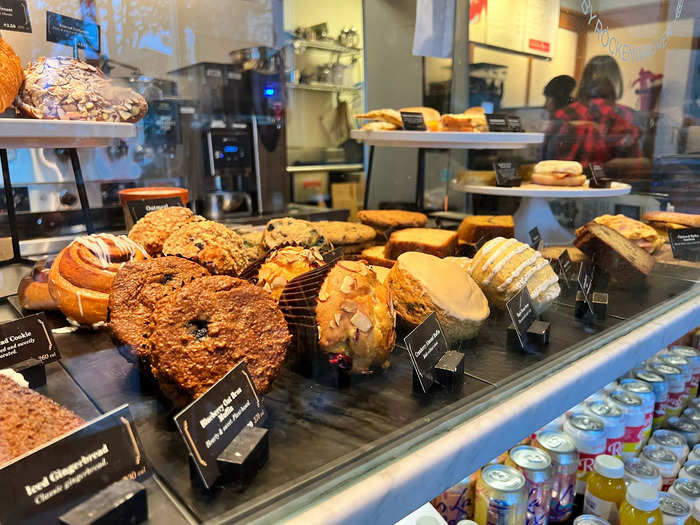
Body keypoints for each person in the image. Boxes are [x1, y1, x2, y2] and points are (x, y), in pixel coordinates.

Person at [543, 56, 642, 167]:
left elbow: (635, 164)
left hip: (608, 181)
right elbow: (548, 159)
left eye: (603, 95)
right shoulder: (566, 115)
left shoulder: (626, 115)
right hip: (573, 179)